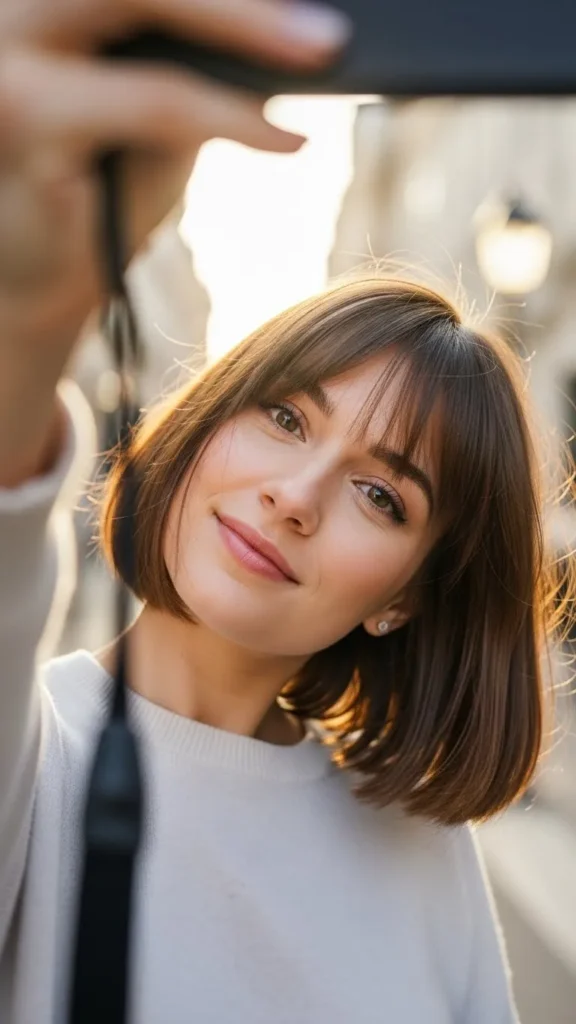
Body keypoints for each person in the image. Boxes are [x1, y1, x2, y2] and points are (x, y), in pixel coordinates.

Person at [0, 1, 570, 1021]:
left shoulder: (423, 854)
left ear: (403, 598)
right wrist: (26, 324)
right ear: (203, 422)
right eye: (283, 417)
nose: (295, 497)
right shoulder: (31, 754)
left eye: (381, 494)